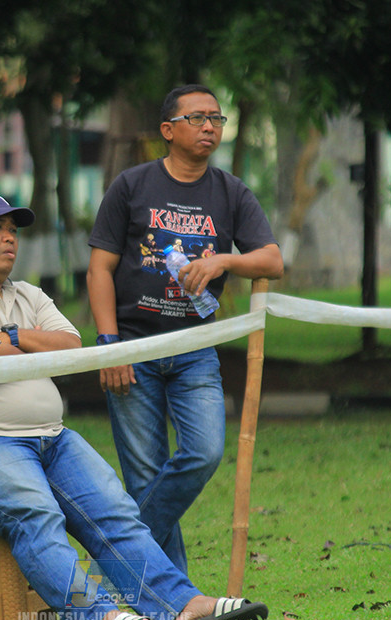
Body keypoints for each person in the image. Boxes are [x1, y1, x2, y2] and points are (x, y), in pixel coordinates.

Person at [0, 192, 268, 620]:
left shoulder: (28, 294)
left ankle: (182, 604)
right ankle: (99, 617)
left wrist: (14, 335)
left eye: (13, 230)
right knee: (35, 513)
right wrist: (26, 342)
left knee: (116, 511)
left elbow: (72, 347)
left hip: (50, 437)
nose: (10, 238)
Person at [86, 85, 284, 573]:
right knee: (144, 476)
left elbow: (272, 260)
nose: (209, 126)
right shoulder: (131, 186)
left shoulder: (231, 192)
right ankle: (171, 593)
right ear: (168, 130)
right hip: (132, 347)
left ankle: (118, 555)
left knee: (205, 452)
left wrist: (223, 261)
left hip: (196, 347)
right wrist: (109, 346)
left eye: (216, 118)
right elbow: (99, 270)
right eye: (197, 118)